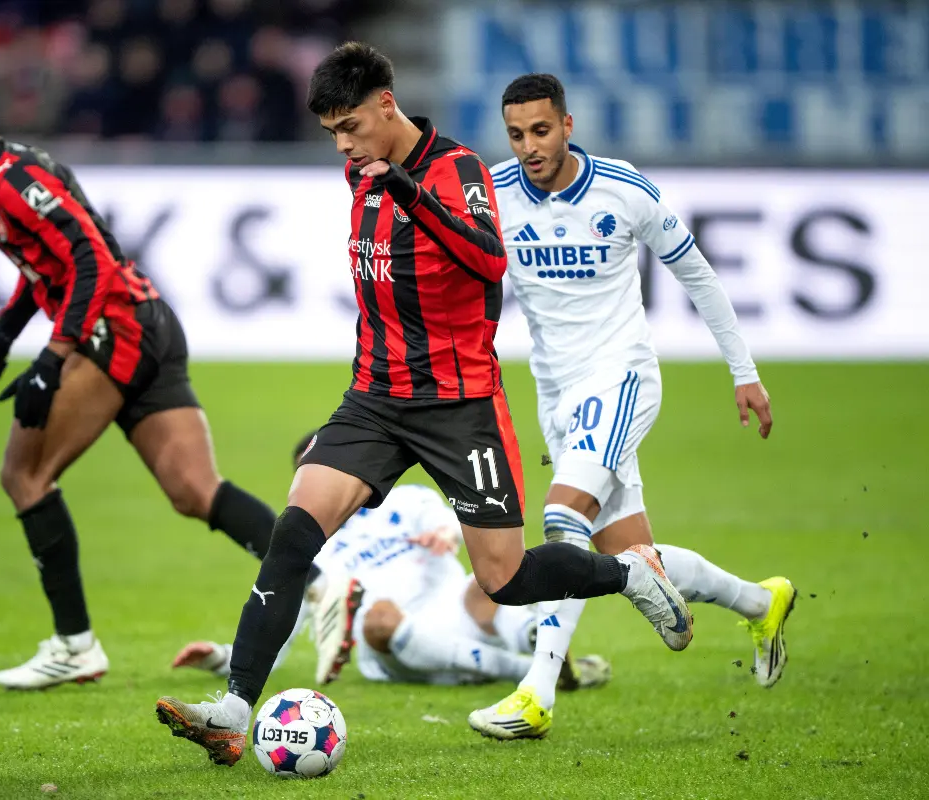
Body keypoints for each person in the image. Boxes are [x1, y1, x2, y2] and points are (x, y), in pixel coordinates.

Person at [153, 42, 692, 768]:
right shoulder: (359, 172)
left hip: (458, 404)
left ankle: (630, 573)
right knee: (293, 535)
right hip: (374, 399)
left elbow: (485, 259)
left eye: (350, 127)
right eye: (332, 134)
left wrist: (409, 191)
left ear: (386, 103)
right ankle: (234, 710)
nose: (343, 145)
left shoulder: (457, 168)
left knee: (506, 577)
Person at [0, 67, 281, 689]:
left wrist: (52, 358)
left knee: (23, 474)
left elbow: (91, 258)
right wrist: (4, 331)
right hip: (145, 319)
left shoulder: (9, 179)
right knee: (194, 489)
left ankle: (75, 644)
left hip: (117, 330)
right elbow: (47, 266)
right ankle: (324, 589)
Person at [467, 73, 797, 741]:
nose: (529, 146)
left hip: (620, 379)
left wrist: (745, 373)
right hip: (556, 393)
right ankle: (763, 603)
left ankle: (536, 695)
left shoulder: (624, 189)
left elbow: (698, 274)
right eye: (516, 134)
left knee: (563, 520)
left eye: (540, 130)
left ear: (567, 124)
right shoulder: (495, 195)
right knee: (630, 556)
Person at [171, 433, 612, 690]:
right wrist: (222, 659)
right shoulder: (308, 545)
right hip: (395, 642)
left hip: (457, 608)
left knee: (493, 578)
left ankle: (537, 647)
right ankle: (534, 671)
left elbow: (453, 521)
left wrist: (446, 534)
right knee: (379, 618)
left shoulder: (406, 499)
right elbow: (280, 624)